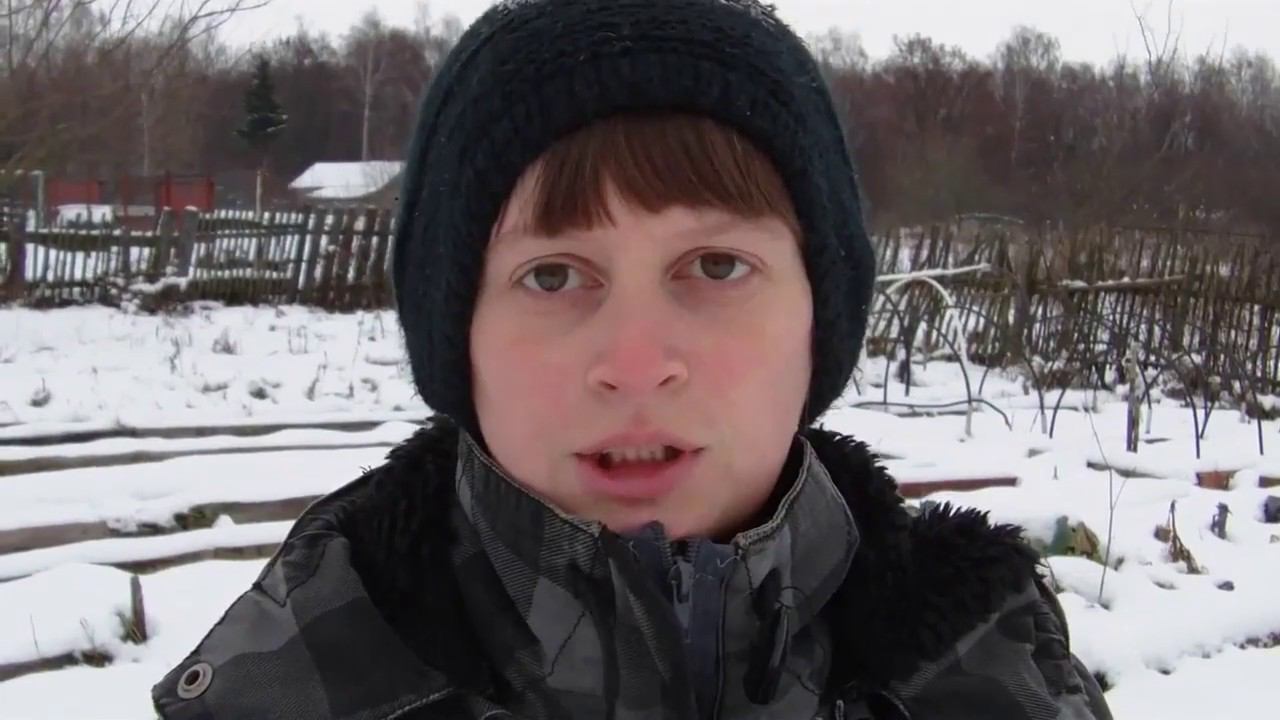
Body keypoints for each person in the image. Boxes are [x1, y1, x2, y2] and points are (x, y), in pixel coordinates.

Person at [152, 1, 1113, 718]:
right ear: (457, 339)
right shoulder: (299, 686)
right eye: (553, 275)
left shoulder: (990, 676)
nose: (637, 363)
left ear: (820, 316)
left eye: (717, 266)